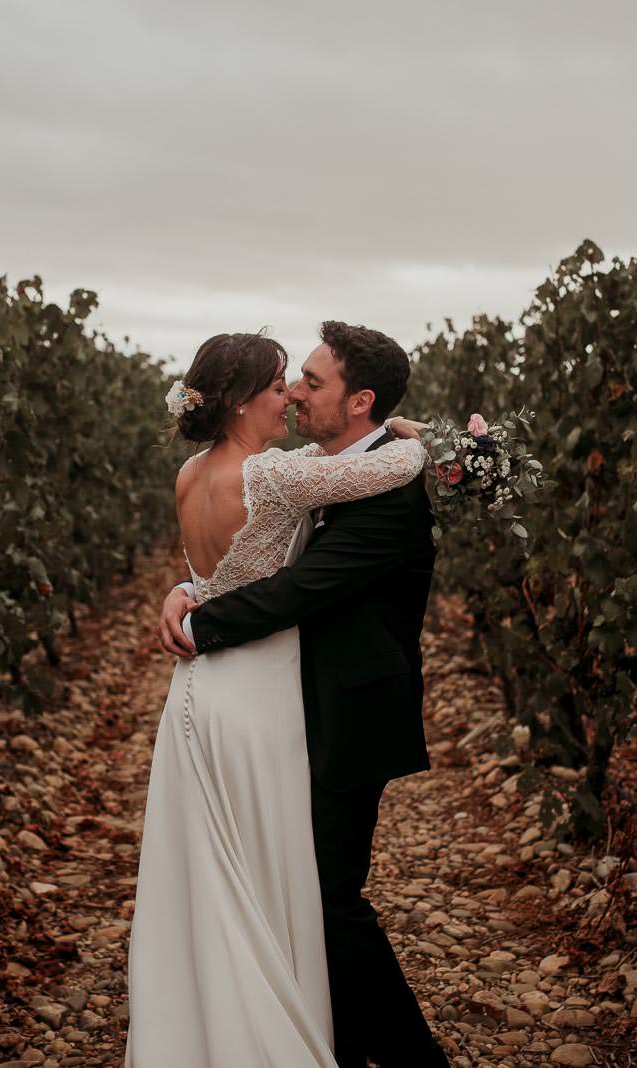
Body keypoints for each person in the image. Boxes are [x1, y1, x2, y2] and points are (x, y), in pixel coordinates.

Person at [124, 328, 434, 1067]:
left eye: (304, 382)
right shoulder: (277, 477)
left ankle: (223, 1019)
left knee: (228, 870)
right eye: (278, 385)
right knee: (272, 877)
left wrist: (191, 596)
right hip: (251, 691)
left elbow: (221, 568)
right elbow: (290, 570)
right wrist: (429, 443)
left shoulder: (194, 472)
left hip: (201, 696)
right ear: (236, 400)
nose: (290, 394)